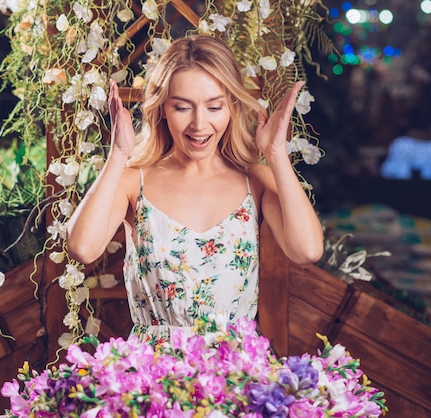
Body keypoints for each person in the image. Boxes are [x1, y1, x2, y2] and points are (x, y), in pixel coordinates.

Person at [67, 35, 324, 344]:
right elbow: (82, 248)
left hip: (235, 379)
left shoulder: (255, 181)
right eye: (182, 107)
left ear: (231, 107)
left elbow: (307, 251)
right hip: (149, 381)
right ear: (162, 108)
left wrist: (276, 155)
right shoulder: (134, 182)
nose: (199, 124)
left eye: (215, 107)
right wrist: (118, 154)